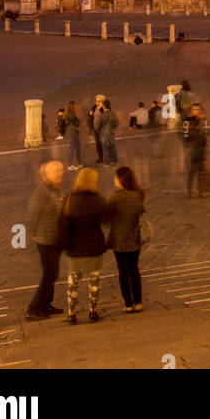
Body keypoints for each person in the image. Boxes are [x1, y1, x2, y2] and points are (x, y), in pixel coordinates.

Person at [63, 167, 108, 324]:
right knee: (94, 280)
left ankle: (71, 313)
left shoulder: (69, 199)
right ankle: (92, 311)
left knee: (73, 282)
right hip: (94, 245)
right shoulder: (98, 200)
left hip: (74, 246)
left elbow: (61, 220)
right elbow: (106, 220)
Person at [26, 161, 65, 319]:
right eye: (57, 172)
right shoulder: (41, 191)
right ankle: (33, 309)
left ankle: (47, 304)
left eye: (61, 171)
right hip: (45, 239)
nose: (61, 174)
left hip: (54, 238)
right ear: (47, 174)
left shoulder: (55, 189)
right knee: (50, 274)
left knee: (52, 273)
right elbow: (32, 214)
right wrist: (31, 233)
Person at [107, 165, 146, 313]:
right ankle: (138, 302)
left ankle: (128, 303)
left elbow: (108, 216)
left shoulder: (115, 197)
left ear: (121, 180)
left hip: (119, 240)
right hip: (135, 237)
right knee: (134, 269)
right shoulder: (138, 195)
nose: (114, 180)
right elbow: (141, 212)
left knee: (123, 272)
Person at [183, 105, 208, 197]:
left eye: (197, 109)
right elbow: (186, 136)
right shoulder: (187, 121)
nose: (196, 111)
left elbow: (205, 135)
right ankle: (189, 192)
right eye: (194, 109)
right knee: (191, 171)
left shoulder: (203, 120)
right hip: (191, 150)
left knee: (200, 172)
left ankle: (200, 191)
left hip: (200, 150)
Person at [99, 99, 119, 165]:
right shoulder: (113, 113)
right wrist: (113, 128)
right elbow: (116, 122)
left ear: (104, 106)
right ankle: (115, 161)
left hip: (103, 134)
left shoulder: (102, 115)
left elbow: (97, 125)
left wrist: (99, 129)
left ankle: (107, 163)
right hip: (111, 132)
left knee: (105, 149)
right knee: (113, 147)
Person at [64, 101, 82, 169]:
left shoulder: (67, 114)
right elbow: (77, 123)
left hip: (71, 132)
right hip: (73, 133)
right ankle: (70, 165)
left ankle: (79, 162)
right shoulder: (72, 115)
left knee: (78, 147)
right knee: (71, 148)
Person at [90, 95, 106, 163]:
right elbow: (90, 115)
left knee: (104, 143)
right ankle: (100, 158)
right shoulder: (94, 107)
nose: (97, 102)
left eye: (99, 101)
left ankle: (108, 157)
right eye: (96, 100)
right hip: (95, 129)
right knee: (98, 144)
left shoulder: (105, 108)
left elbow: (106, 115)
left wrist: (100, 108)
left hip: (102, 129)